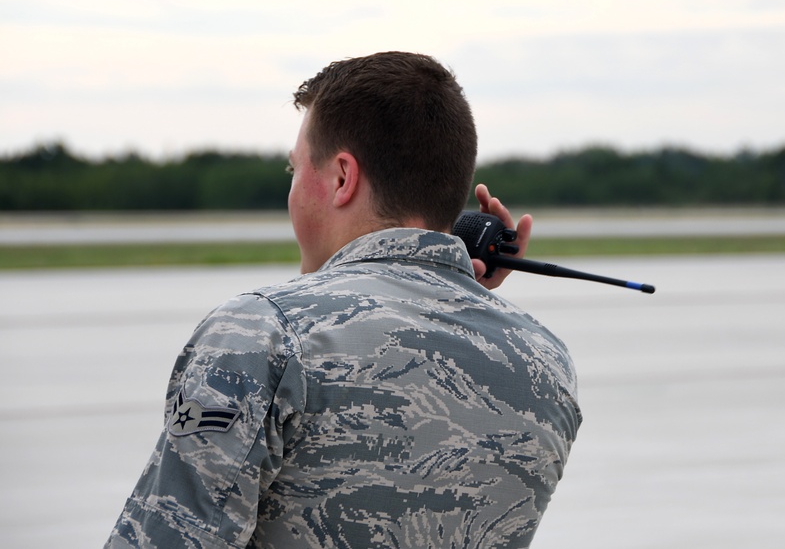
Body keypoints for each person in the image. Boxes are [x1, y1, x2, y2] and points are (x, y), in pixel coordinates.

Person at [106, 51, 581, 548]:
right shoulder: (545, 361)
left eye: (294, 170)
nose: (291, 191)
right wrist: (456, 305)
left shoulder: (263, 332)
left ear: (341, 178)